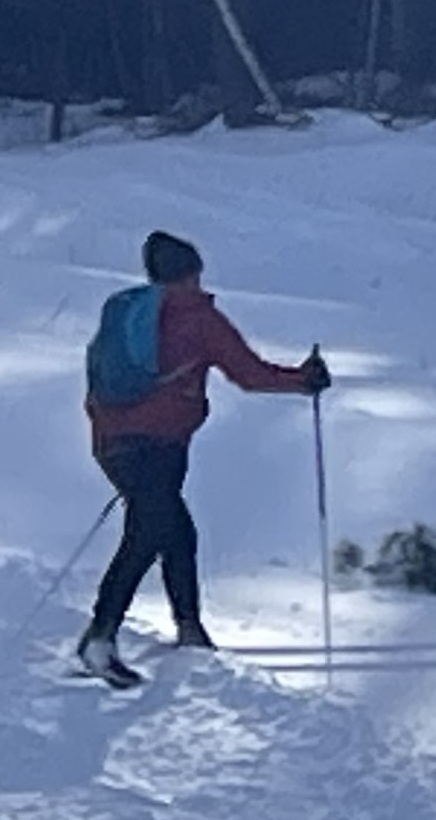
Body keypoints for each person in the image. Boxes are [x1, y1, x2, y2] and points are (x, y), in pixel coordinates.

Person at [77, 229, 325, 686]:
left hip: (114, 444)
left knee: (174, 532)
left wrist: (115, 431)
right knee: (150, 532)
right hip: (160, 447)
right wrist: (304, 380)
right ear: (192, 272)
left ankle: (189, 632)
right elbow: (249, 375)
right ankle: (100, 637)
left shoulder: (127, 313)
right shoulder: (199, 318)